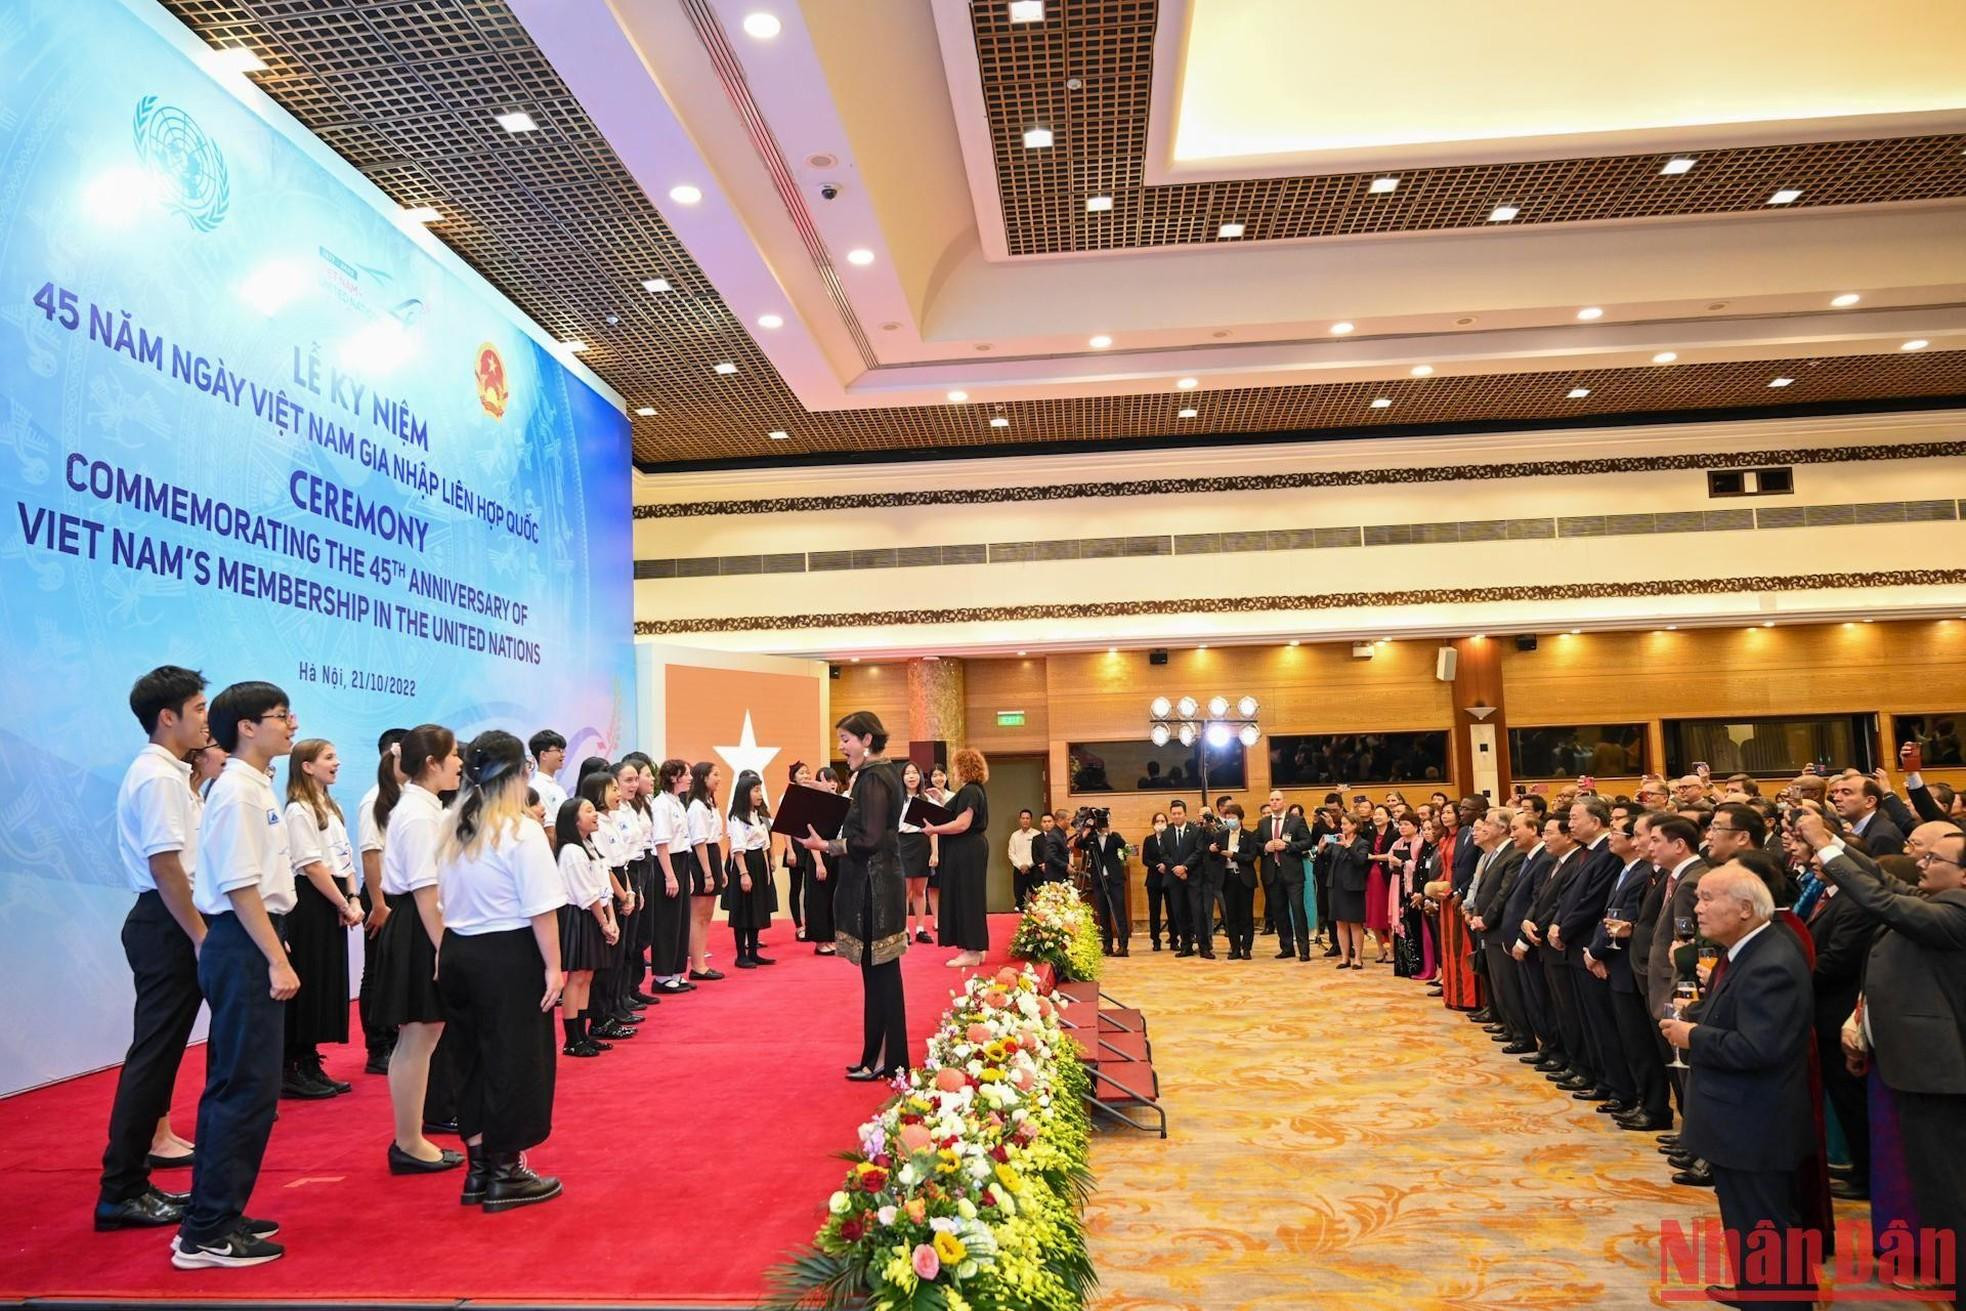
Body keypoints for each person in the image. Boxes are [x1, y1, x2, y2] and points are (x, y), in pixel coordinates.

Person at [1797, 812, 1965, 1307]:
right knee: (1932, 1179)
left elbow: (1879, 899)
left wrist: (1826, 851)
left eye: (1934, 858)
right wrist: (1832, 843)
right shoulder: (1940, 898)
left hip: (1939, 1073)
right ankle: (1945, 1269)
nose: (1921, 862)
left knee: (1948, 1182)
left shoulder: (1957, 912)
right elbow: (1885, 880)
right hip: (1915, 1065)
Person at [171, 681, 299, 1270]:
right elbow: (241, 885)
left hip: (247, 938)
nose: (291, 724)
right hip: (243, 942)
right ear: (246, 726)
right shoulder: (241, 793)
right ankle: (207, 1231)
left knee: (244, 1085)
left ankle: (215, 1213)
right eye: (280, 716)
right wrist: (275, 956)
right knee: (243, 1088)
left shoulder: (252, 787)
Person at [1662, 863, 1818, 1310]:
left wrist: (1692, 1036)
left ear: (1746, 908)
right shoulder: (1747, 949)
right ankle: (1758, 1289)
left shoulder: (1771, 962)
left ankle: (1776, 1301)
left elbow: (1759, 1048)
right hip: (1741, 1118)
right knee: (1748, 1221)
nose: (1697, 907)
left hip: (1756, 1120)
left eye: (1709, 899)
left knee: (1764, 1221)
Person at [97, 666, 209, 1234]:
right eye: (198, 708)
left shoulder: (167, 773)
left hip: (167, 921)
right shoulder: (160, 777)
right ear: (168, 717)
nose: (206, 719)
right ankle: (122, 1189)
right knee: (154, 1054)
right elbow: (168, 867)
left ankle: (131, 1183)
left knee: (159, 1053)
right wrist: (200, 936)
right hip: (166, 923)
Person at [434, 731, 565, 1212]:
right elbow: (542, 907)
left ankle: (479, 1169)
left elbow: (440, 900)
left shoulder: (451, 824)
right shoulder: (519, 829)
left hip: (458, 952)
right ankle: (506, 1171)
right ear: (516, 774)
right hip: (507, 954)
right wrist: (554, 966)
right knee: (516, 1060)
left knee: (468, 1060)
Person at [371, 724, 465, 1176]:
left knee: (421, 1039)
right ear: (432, 762)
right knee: (417, 1039)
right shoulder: (419, 813)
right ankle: (409, 1141)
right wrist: (444, 951)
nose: (460, 763)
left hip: (417, 923)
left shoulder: (423, 807)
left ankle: (412, 1138)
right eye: (453, 756)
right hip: (418, 927)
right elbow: (427, 892)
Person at [797, 712, 907, 1080]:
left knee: (881, 977)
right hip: (879, 884)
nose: (842, 748)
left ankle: (885, 1061)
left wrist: (826, 844)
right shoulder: (881, 775)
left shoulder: (873, 779)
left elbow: (870, 839)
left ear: (867, 740)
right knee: (877, 976)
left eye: (846, 739)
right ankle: (876, 1057)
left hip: (874, 890)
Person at [280, 739, 364, 1099]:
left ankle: (310, 1059)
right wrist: (344, 905)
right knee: (309, 982)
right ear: (307, 766)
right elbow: (312, 866)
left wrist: (353, 895)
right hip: (310, 904)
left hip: (333, 900)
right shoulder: (298, 810)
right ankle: (293, 1065)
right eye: (329, 757)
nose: (337, 763)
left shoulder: (329, 806)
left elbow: (342, 859)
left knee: (326, 982)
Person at [356, 729, 408, 1074]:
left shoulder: (408, 797)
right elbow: (371, 854)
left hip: (402, 895)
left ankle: (395, 1038)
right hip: (382, 896)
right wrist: (378, 904)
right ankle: (377, 1047)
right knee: (376, 971)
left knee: (397, 971)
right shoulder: (376, 799)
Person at [553, 796, 617, 1057]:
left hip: (595, 913)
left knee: (587, 976)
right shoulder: (572, 851)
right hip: (579, 916)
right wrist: (604, 922)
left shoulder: (589, 846)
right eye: (588, 811)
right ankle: (572, 1039)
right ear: (574, 820)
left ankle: (583, 1033)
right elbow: (586, 894)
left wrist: (611, 918)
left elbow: (603, 886)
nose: (595, 815)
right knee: (577, 977)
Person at [924, 748, 991, 967]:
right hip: (969, 848)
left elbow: (963, 823)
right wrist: (941, 798)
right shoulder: (973, 790)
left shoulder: (970, 791)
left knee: (966, 897)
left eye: (955, 766)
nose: (953, 771)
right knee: (970, 895)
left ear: (964, 768)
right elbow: (957, 813)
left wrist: (935, 829)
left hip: (967, 849)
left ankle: (971, 950)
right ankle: (975, 947)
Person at [649, 759, 695, 994]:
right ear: (674, 777)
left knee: (681, 920)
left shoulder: (677, 802)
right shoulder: (661, 805)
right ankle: (663, 975)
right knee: (667, 921)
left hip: (681, 862)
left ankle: (677, 971)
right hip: (668, 863)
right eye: (685, 774)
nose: (689, 778)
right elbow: (661, 843)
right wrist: (669, 876)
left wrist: (686, 874)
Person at [723, 770, 776, 967]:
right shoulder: (738, 817)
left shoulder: (756, 815)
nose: (759, 794)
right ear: (745, 793)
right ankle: (741, 955)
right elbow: (737, 848)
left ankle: (753, 952)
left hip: (759, 862)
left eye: (760, 790)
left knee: (756, 908)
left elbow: (765, 842)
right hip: (744, 863)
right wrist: (744, 873)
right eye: (755, 790)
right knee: (743, 909)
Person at [783, 762, 837, 955]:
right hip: (817, 855)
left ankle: (830, 938)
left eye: (832, 781)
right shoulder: (811, 803)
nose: (829, 784)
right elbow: (811, 836)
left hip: (833, 852)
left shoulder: (835, 803)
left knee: (831, 897)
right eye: (824, 780)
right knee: (817, 898)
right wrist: (819, 862)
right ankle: (820, 941)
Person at [1255, 790, 1313, 960]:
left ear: (1284, 802)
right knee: (1279, 912)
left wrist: (1287, 846)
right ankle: (1286, 947)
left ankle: (1304, 950)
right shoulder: (1263, 822)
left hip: (1293, 874)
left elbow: (1307, 842)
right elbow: (1256, 844)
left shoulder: (1296, 820)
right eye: (1272, 800)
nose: (1274, 803)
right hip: (1272, 873)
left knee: (1297, 910)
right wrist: (1265, 847)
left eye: (1277, 800)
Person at [685, 761, 728, 980]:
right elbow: (698, 842)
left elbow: (714, 840)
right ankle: (697, 965)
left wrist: (720, 868)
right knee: (698, 915)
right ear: (703, 778)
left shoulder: (710, 803)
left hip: (712, 855)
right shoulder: (696, 807)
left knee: (707, 915)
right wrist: (708, 873)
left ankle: (701, 960)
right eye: (715, 775)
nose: (719, 779)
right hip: (701, 858)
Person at [898, 761, 937, 944]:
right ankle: (904, 929)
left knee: (920, 890)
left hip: (921, 843)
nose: (911, 776)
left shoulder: (927, 799)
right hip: (902, 843)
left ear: (920, 777)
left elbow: (934, 827)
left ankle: (920, 929)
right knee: (904, 890)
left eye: (915, 773)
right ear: (902, 777)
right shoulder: (897, 799)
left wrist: (934, 852)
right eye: (907, 773)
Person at [1328, 814, 1372, 969]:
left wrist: (1348, 846)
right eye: (1342, 824)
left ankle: (1358, 958)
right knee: (1340, 923)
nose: (1342, 827)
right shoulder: (1337, 843)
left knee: (1355, 924)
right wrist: (1321, 849)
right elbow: (1327, 860)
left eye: (1346, 824)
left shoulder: (1363, 843)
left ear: (1355, 825)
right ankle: (1344, 957)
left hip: (1353, 887)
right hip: (1336, 886)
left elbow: (1360, 861)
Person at [1160, 800, 1202, 957]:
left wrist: (1185, 867)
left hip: (1192, 878)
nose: (1176, 816)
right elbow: (1164, 854)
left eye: (1179, 813)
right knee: (1179, 913)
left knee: (1196, 912)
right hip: (1174, 879)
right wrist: (1176, 869)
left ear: (1185, 814)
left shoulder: (1195, 831)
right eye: (1174, 813)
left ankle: (1203, 945)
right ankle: (1186, 945)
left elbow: (1198, 851)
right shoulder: (1166, 833)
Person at [1218, 802, 1257, 959]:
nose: (1230, 821)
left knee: (1246, 915)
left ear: (1240, 819)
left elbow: (1251, 857)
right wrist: (1213, 851)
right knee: (1231, 915)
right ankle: (1235, 948)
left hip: (1244, 878)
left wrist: (1233, 855)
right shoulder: (1221, 835)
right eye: (1227, 818)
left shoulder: (1249, 836)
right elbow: (1215, 857)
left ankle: (1246, 948)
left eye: (1233, 818)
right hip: (1227, 878)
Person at [528, 730, 568, 818]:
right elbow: (549, 828)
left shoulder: (558, 788)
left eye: (563, 750)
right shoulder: (537, 787)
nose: (563, 755)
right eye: (559, 750)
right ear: (543, 755)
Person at [1008, 808, 1038, 909]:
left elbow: (1038, 854)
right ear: (1019, 820)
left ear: (1031, 820)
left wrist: (1028, 865)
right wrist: (1021, 865)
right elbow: (1011, 853)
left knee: (1036, 896)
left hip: (1034, 870)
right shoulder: (1014, 835)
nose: (1025, 820)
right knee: (1019, 897)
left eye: (1027, 818)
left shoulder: (1037, 835)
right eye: (1023, 818)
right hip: (1019, 870)